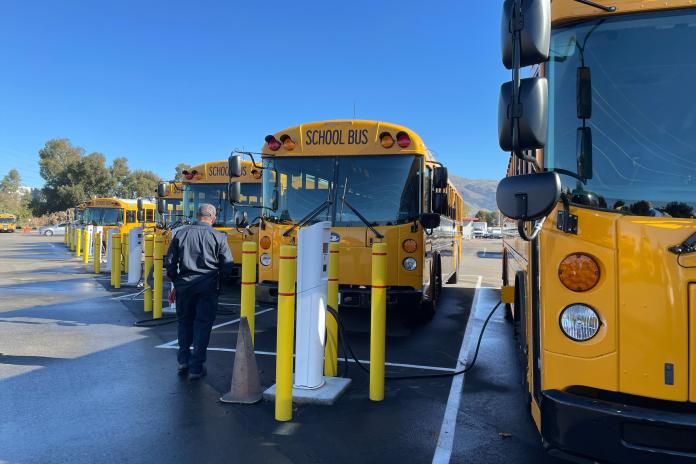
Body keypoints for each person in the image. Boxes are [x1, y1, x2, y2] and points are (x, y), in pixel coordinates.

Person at [164, 203, 233, 379]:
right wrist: (219, 284)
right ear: (213, 218)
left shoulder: (181, 234)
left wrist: (176, 281)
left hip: (184, 286)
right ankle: (196, 367)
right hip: (207, 287)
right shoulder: (219, 237)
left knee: (184, 323)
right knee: (203, 326)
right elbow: (227, 266)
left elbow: (170, 262)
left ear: (197, 216)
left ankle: (183, 361)